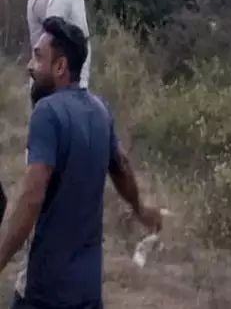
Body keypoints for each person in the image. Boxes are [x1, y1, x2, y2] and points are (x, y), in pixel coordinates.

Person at [0, 17, 162, 309]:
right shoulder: (100, 110)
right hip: (87, 290)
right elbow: (121, 167)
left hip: (46, 291)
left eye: (38, 57)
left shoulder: (47, 112)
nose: (29, 66)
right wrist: (140, 208)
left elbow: (30, 198)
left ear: (60, 67)